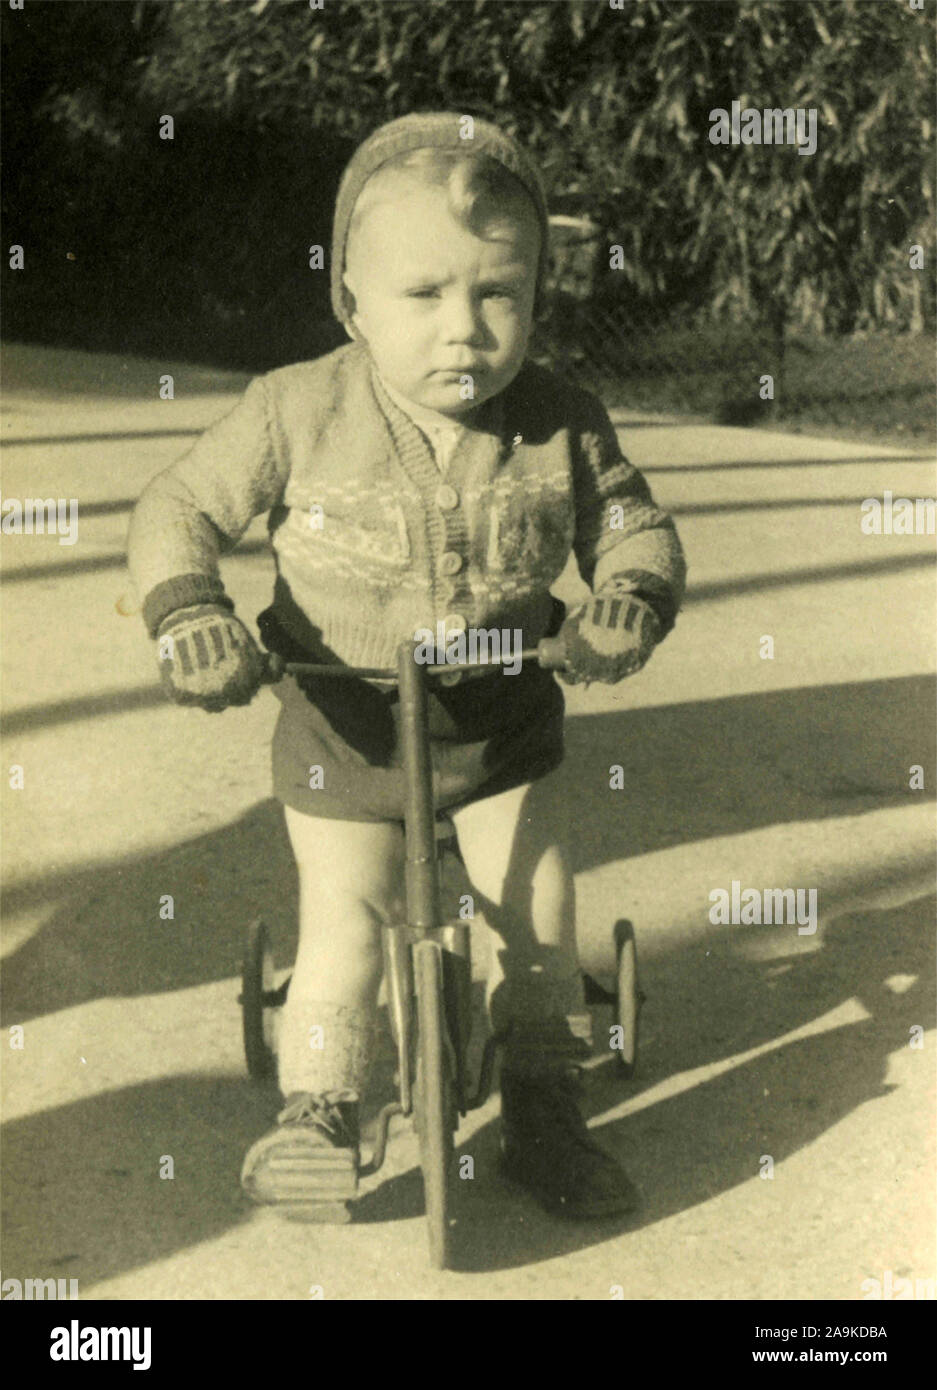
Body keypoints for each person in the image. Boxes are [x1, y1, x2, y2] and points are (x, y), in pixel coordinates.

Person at [127, 112, 686, 1222]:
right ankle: (321, 1114)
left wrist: (626, 596)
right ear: (350, 305)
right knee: (346, 919)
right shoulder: (296, 408)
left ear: (534, 298)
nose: (466, 331)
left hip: (498, 723)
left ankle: (541, 1110)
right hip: (343, 722)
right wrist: (191, 610)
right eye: (424, 296)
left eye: (499, 293)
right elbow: (178, 504)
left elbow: (635, 528)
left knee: (533, 909)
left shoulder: (562, 420)